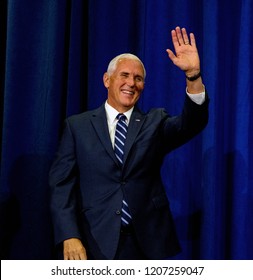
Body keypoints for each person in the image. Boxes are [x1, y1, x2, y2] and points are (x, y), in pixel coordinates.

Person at [49, 26, 209, 260]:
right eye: (124, 75)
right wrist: (69, 235)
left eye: (138, 78)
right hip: (94, 241)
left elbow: (192, 123)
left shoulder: (155, 122)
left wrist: (193, 76)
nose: (131, 83)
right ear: (107, 80)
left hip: (146, 244)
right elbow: (61, 186)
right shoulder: (77, 126)